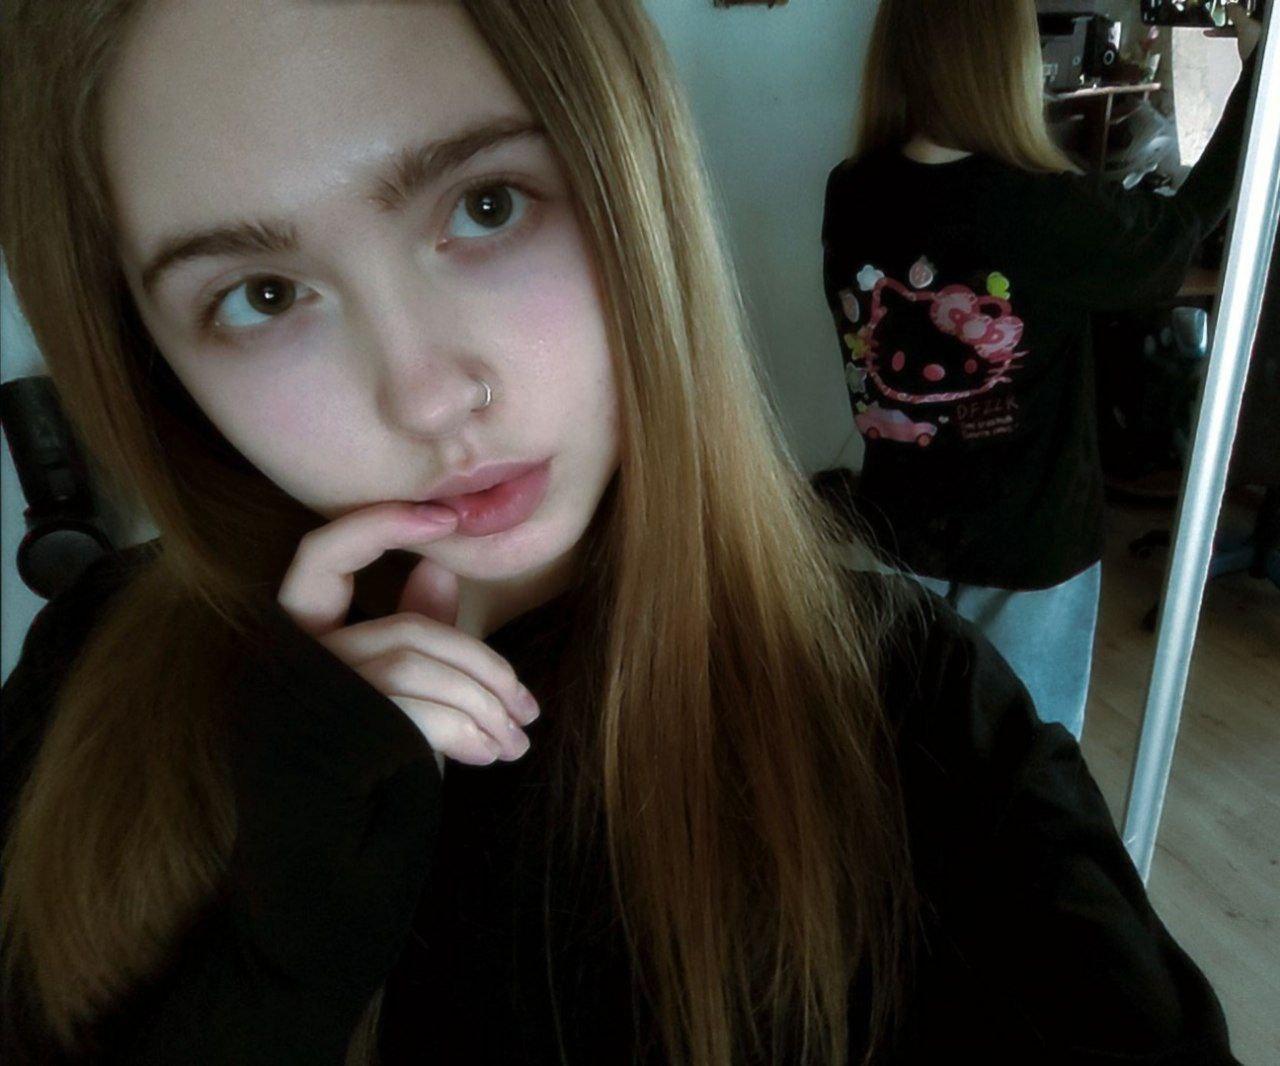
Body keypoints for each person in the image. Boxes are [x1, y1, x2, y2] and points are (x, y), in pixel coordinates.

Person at [0, 1, 1241, 1063]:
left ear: (627, 180)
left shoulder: (908, 721)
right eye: (261, 295)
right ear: (152, 362)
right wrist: (261, 986)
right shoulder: (91, 669)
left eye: (486, 205)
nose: (426, 396)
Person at [821, 0, 1262, 740]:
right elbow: (1182, 232)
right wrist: (1255, 81)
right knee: (1026, 762)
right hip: (1029, 546)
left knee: (910, 744)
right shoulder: (1042, 209)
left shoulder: (853, 189)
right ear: (1007, 63)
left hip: (899, 527)